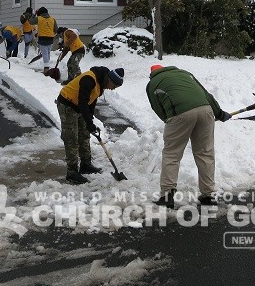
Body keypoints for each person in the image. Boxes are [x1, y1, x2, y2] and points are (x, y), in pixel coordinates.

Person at [145, 64, 231, 207]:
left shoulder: (152, 83)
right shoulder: (185, 74)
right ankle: (208, 195)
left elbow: (157, 108)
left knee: (172, 154)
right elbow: (206, 95)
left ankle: (167, 196)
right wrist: (219, 113)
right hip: (206, 110)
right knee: (205, 153)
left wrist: (169, 119)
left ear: (152, 74)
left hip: (180, 114)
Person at [56, 66, 125, 184]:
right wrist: (89, 122)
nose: (113, 89)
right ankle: (72, 172)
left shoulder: (101, 83)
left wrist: (90, 122)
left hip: (79, 106)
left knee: (84, 134)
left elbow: (92, 101)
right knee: (72, 138)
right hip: (67, 104)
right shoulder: (89, 79)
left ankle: (85, 165)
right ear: (110, 80)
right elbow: (82, 101)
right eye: (114, 86)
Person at [35, 7, 57, 73]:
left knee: (44, 53)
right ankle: (47, 65)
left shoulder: (39, 18)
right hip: (50, 38)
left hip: (42, 39)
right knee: (47, 53)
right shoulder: (53, 19)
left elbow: (30, 21)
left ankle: (46, 68)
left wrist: (34, 14)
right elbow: (56, 30)